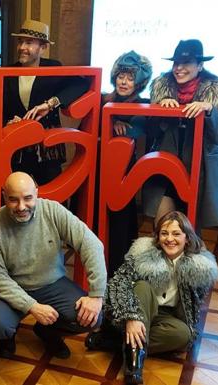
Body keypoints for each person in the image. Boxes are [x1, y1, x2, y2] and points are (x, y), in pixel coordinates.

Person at [0, 172, 107, 359]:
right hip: (13, 288)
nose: (21, 206)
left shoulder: (53, 211)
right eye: (13, 200)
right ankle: (8, 336)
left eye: (28, 198)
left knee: (92, 318)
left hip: (52, 283)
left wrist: (96, 295)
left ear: (37, 193)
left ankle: (48, 332)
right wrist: (32, 306)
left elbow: (91, 244)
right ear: (4, 195)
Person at [98, 211, 218, 384]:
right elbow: (118, 283)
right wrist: (132, 317)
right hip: (135, 306)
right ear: (158, 237)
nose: (170, 239)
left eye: (176, 234)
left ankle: (114, 340)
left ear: (187, 238)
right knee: (143, 287)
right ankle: (134, 367)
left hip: (165, 316)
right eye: (164, 233)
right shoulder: (143, 255)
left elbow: (193, 309)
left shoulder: (198, 268)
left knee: (183, 335)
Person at [145, 39, 218, 228]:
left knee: (191, 233)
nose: (179, 68)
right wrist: (162, 111)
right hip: (168, 168)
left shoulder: (217, 92)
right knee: (162, 227)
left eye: (186, 63)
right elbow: (151, 131)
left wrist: (209, 110)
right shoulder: (161, 87)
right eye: (176, 63)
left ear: (200, 66)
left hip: (200, 171)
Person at [3, 19, 89, 185]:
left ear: (43, 48)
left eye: (28, 43)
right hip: (18, 147)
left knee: (53, 199)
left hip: (48, 147)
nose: (22, 47)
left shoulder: (53, 68)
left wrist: (51, 103)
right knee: (17, 196)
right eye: (20, 42)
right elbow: (2, 108)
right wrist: (8, 123)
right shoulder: (8, 72)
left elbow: (81, 84)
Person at [99, 51, 152, 276]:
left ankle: (117, 273)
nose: (124, 81)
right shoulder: (103, 99)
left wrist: (118, 121)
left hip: (123, 174)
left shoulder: (143, 105)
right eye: (121, 76)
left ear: (139, 82)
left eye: (130, 78)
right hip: (98, 168)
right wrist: (112, 120)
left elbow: (137, 130)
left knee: (120, 221)